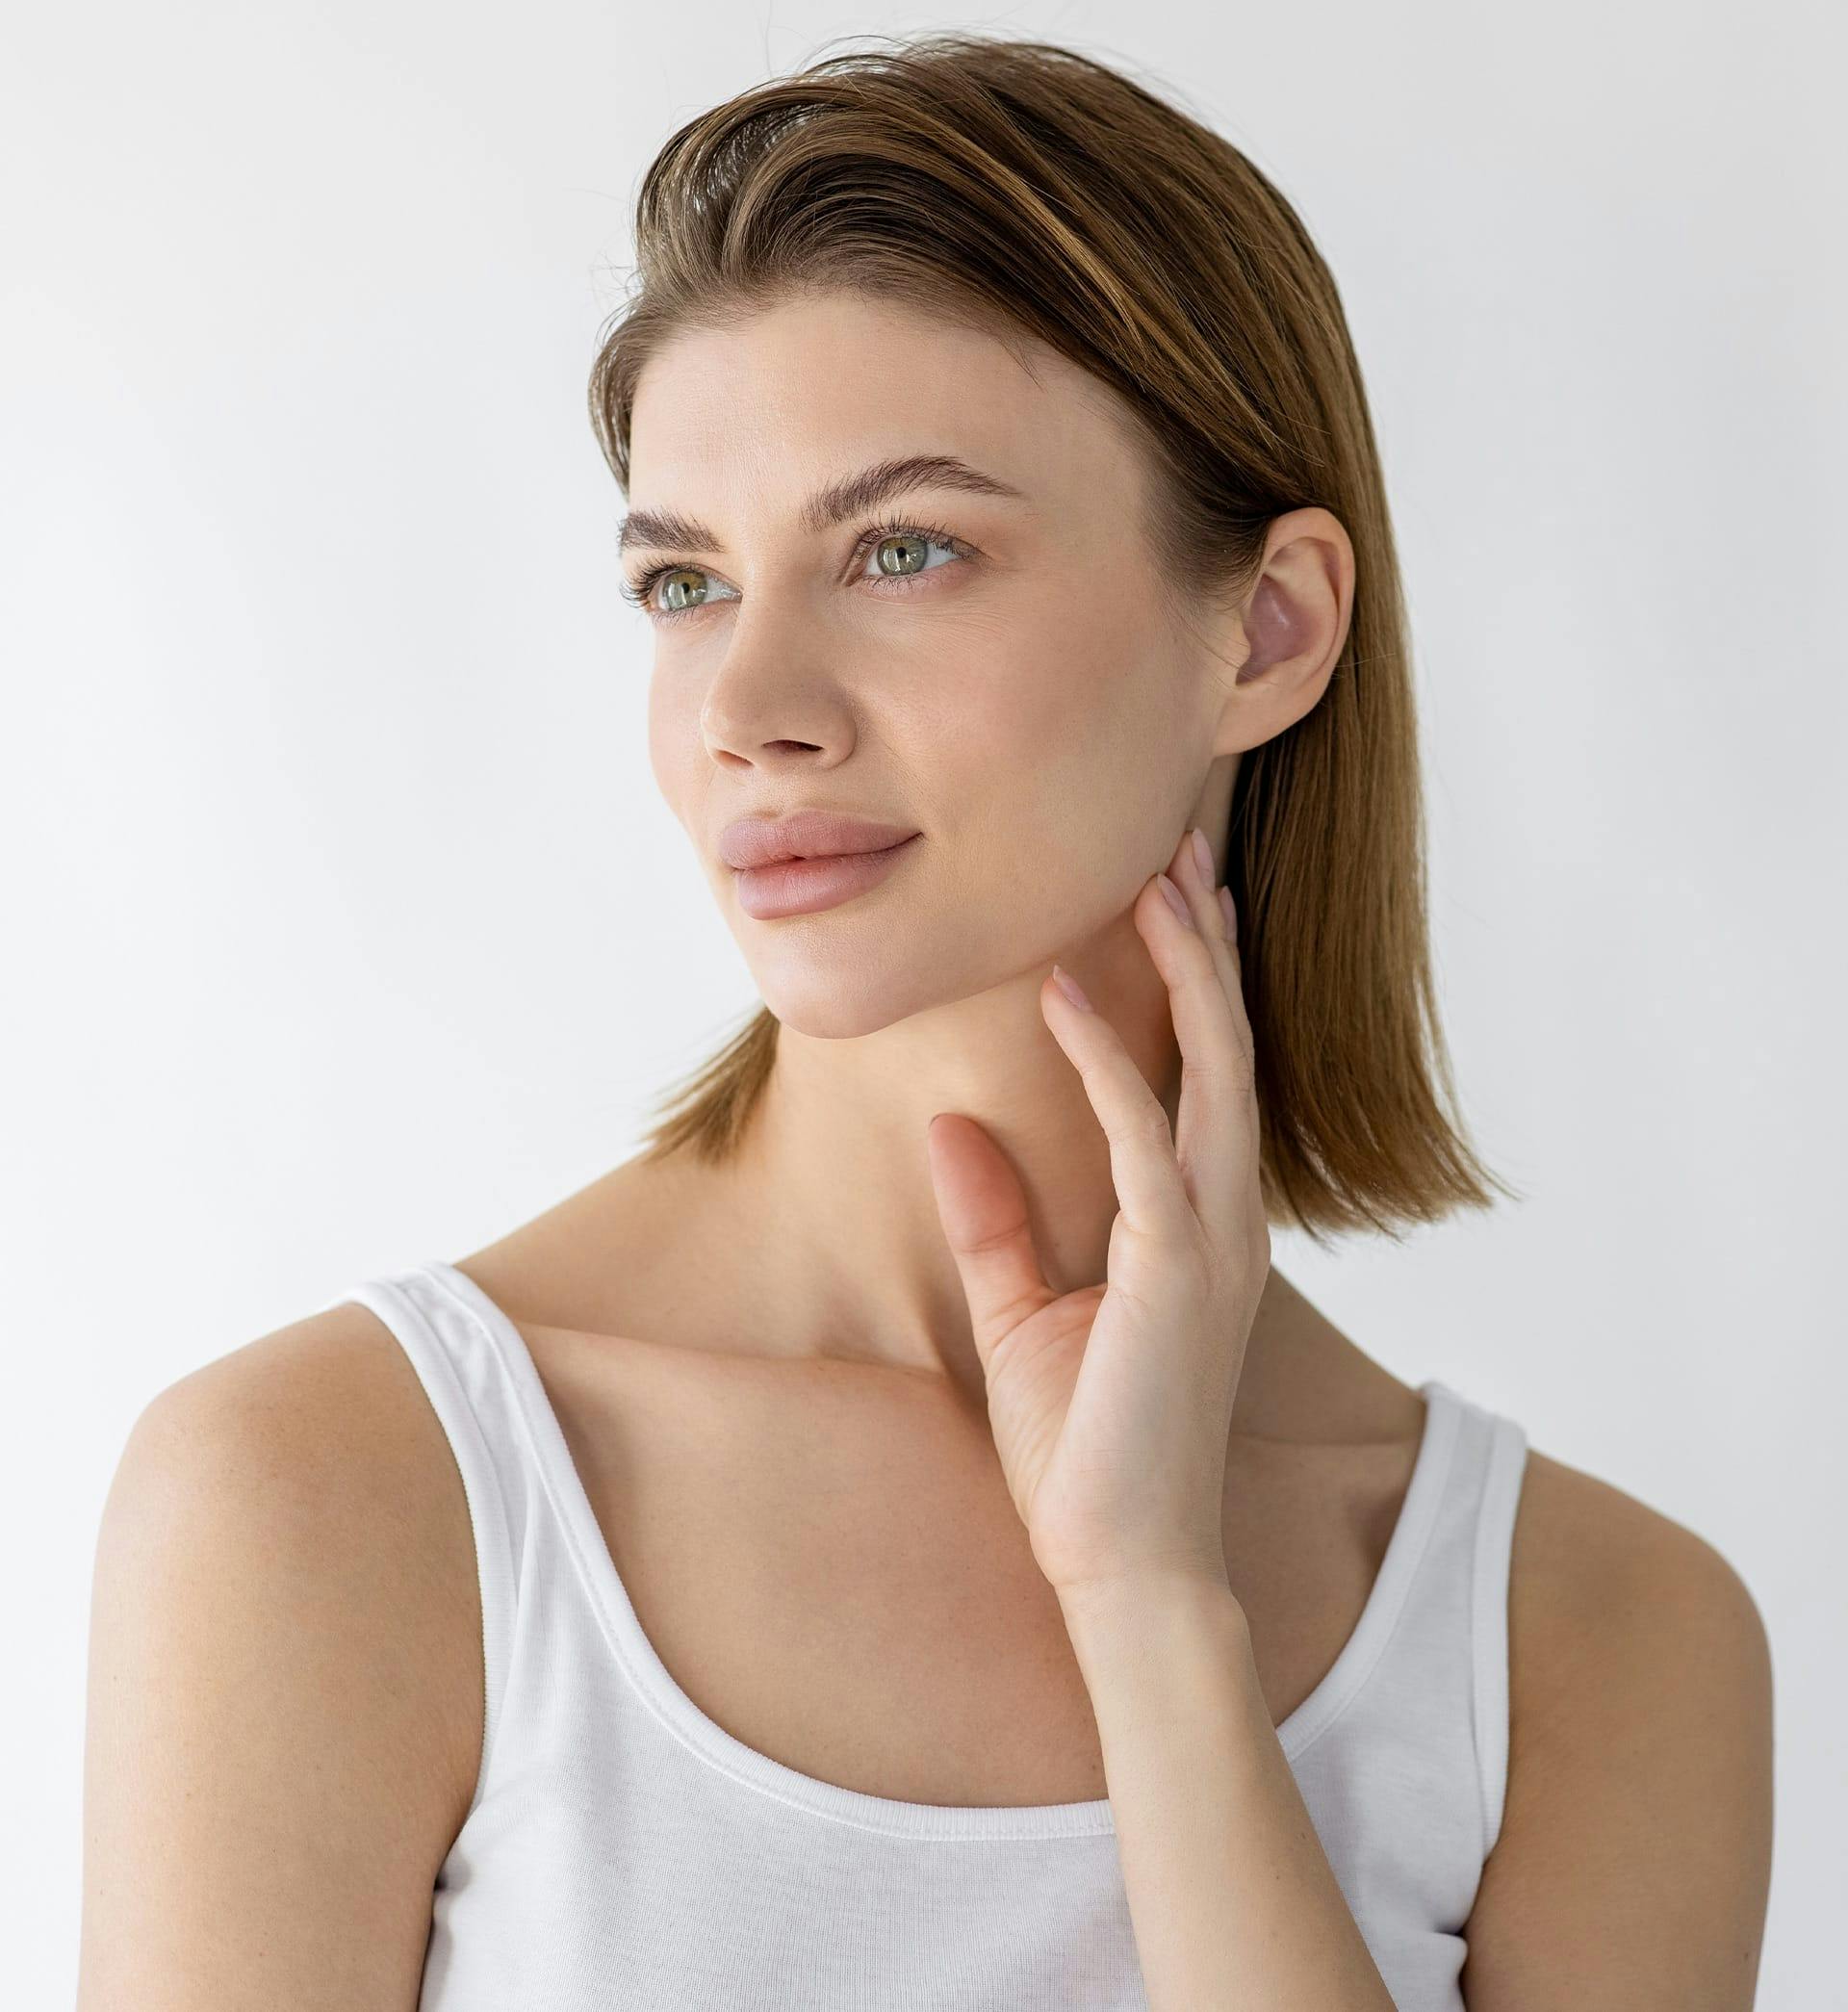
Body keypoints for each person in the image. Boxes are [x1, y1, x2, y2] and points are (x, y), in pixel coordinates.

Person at [76, 33, 1774, 2011]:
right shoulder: (330, 1497)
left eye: (905, 549)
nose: (748, 706)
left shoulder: (1590, 1639)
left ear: (1273, 628)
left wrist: (1154, 1616)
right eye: (688, 580)